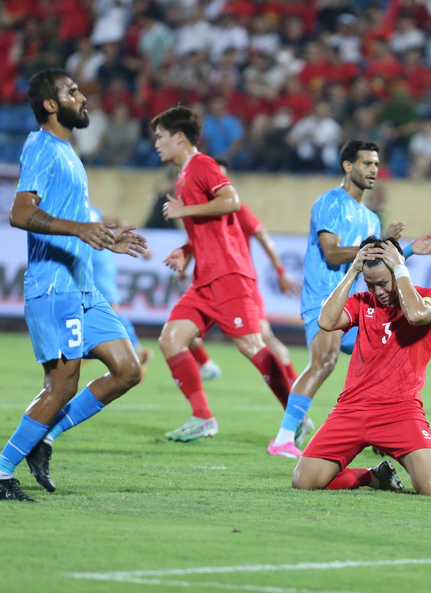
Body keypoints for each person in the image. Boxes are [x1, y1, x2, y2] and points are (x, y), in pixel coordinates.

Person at [0, 69, 147, 502]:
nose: (83, 96)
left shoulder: (69, 153)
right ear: (51, 105)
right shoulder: (42, 147)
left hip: (83, 287)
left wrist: (105, 236)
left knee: (128, 369)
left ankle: (45, 436)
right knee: (62, 386)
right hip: (55, 288)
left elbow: (73, 224)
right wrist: (80, 228)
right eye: (72, 91)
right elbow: (19, 213)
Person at [268, 140, 431, 459]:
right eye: (367, 163)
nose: (374, 170)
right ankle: (282, 438)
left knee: (383, 360)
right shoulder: (330, 203)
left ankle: (381, 432)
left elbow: (375, 265)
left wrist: (402, 251)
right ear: (348, 166)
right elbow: (332, 252)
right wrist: (378, 246)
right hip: (325, 299)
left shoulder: (371, 218)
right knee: (324, 361)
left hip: (359, 306)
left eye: (376, 164)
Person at [152, 106, 292, 442]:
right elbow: (210, 228)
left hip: (228, 274)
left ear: (179, 137)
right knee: (171, 340)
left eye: (160, 137)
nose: (156, 144)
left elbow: (231, 201)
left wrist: (183, 209)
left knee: (252, 344)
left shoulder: (202, 164)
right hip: (204, 279)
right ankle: (202, 417)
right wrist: (186, 252)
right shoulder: (183, 175)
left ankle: (295, 418)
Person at [291, 237, 431, 496]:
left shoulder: (429, 298)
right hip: (351, 409)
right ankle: (373, 476)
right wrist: (353, 271)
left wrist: (401, 271)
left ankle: (429, 471)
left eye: (383, 283)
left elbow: (415, 316)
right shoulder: (362, 302)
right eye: (370, 284)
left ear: (399, 271)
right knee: (303, 481)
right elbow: (325, 321)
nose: (377, 291)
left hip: (399, 411)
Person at [183, 160, 302, 386]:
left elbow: (263, 236)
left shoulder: (237, 209)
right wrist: (184, 263)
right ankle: (206, 366)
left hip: (239, 284)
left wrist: (281, 271)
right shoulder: (201, 212)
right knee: (179, 331)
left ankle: (294, 385)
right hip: (208, 284)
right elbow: (193, 241)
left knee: (263, 337)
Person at [89, 206, 154, 380]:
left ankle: (138, 350)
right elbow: (117, 220)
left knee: (111, 311)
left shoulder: (77, 209)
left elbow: (115, 222)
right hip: (99, 262)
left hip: (96, 263)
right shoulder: (93, 211)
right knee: (95, 310)